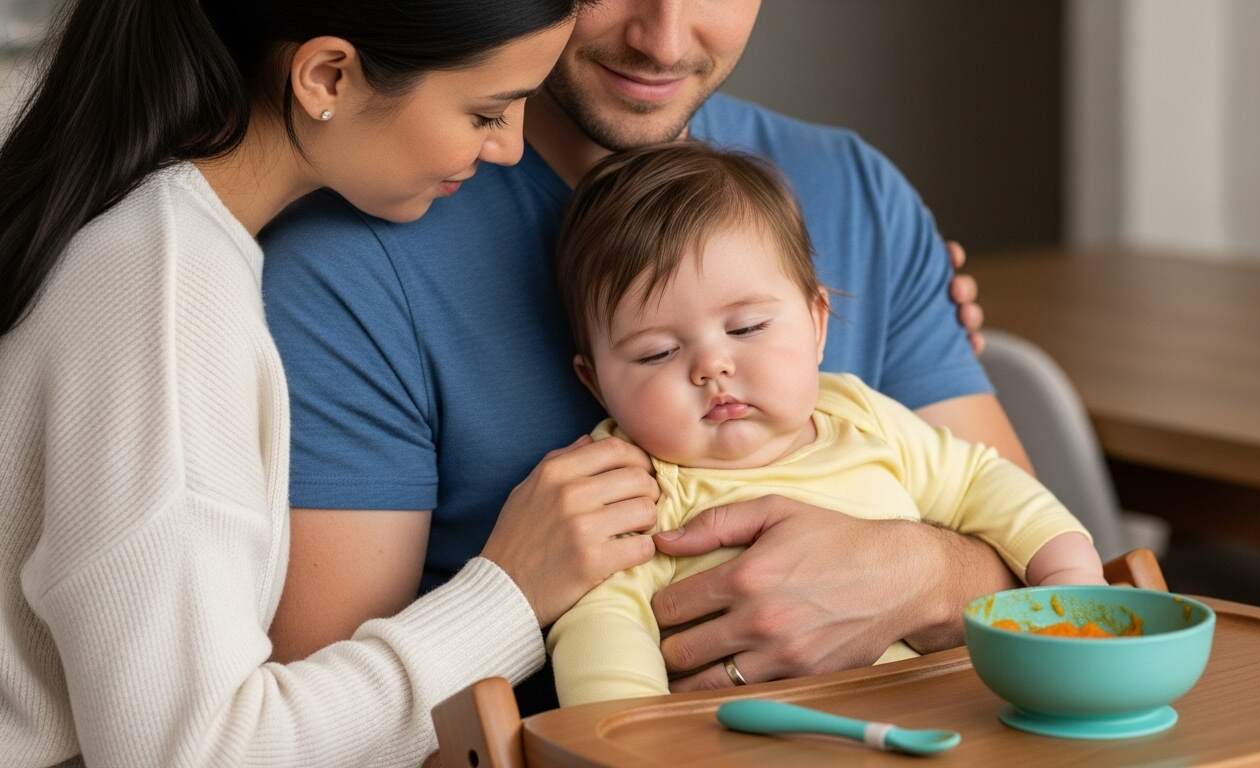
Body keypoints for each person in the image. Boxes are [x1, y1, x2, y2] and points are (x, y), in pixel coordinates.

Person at [260, 0, 1028, 707]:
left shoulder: (855, 190)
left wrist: (921, 575)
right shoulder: (348, 264)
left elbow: (1037, 567)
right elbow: (332, 726)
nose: (661, 40)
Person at [0, 1, 619, 766]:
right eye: (486, 111)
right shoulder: (165, 288)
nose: (510, 148)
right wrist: (510, 595)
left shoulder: (158, 244)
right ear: (327, 76)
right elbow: (195, 753)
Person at [546, 143, 1103, 706]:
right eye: (656, 353)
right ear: (596, 383)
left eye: (747, 328)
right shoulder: (626, 485)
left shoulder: (858, 414)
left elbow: (981, 481)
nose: (713, 366)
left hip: (936, 720)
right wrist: (629, 737)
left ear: (817, 323)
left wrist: (1065, 570)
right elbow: (602, 621)